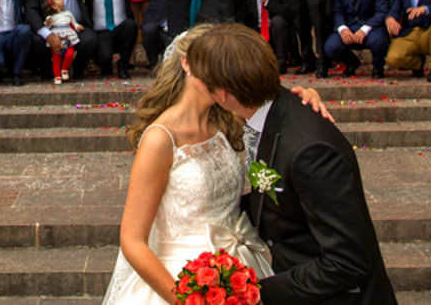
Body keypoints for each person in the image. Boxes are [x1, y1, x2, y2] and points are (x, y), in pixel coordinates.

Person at [103, 24, 314, 303]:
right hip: (183, 278)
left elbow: (275, 114)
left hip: (241, 266)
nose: (223, 75)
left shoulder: (225, 119)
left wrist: (306, 100)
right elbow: (132, 241)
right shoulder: (160, 139)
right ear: (186, 64)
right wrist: (186, 298)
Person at [208, 28, 399, 304]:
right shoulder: (273, 111)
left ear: (224, 94)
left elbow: (348, 262)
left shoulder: (310, 151)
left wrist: (259, 294)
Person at [241, 0, 293, 74]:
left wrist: (267, 1)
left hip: (275, 32)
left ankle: (280, 64)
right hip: (257, 33)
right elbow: (243, 17)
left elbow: (288, 13)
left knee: (278, 21)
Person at [42, 0, 84, 85]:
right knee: (56, 58)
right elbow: (47, 26)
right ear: (54, 6)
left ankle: (64, 68)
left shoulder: (68, 14)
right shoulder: (51, 17)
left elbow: (73, 22)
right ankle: (57, 76)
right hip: (57, 39)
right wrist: (47, 23)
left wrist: (77, 27)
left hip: (68, 38)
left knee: (70, 54)